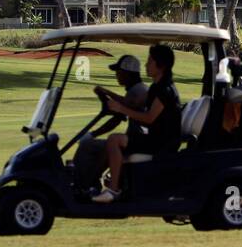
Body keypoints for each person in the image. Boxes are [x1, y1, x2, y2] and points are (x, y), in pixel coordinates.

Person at [92, 44, 183, 203]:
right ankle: (115, 184)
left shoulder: (165, 90)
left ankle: (113, 190)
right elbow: (131, 104)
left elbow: (149, 118)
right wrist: (107, 93)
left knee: (114, 139)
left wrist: (120, 108)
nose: (146, 65)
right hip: (155, 139)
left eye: (150, 61)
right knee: (116, 139)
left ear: (160, 65)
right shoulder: (157, 86)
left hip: (161, 144)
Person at [72, 55, 148, 192]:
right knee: (90, 145)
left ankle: (85, 184)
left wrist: (106, 92)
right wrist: (92, 134)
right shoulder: (136, 89)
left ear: (128, 73)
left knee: (90, 146)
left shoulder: (138, 91)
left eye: (119, 71)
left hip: (137, 141)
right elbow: (118, 116)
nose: (116, 74)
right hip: (133, 139)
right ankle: (89, 182)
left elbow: (123, 107)